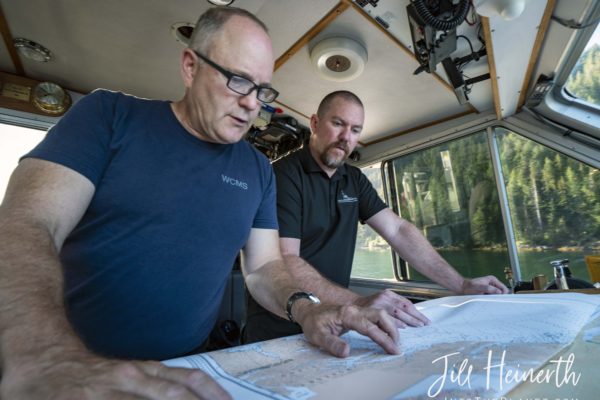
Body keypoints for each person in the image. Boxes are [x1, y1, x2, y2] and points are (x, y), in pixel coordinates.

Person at [0, 10, 401, 400]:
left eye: (262, 90)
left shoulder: (258, 169)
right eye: (238, 81)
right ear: (191, 67)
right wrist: (46, 357)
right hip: (70, 367)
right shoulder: (108, 116)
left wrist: (306, 309)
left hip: (189, 368)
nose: (251, 104)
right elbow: (27, 223)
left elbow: (264, 268)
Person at [243, 90, 509, 343]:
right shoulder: (283, 176)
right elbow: (287, 259)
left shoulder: (354, 179)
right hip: (279, 327)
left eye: (355, 130)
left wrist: (461, 284)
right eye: (338, 123)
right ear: (314, 123)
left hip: (337, 321)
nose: (346, 137)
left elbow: (397, 230)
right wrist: (358, 303)